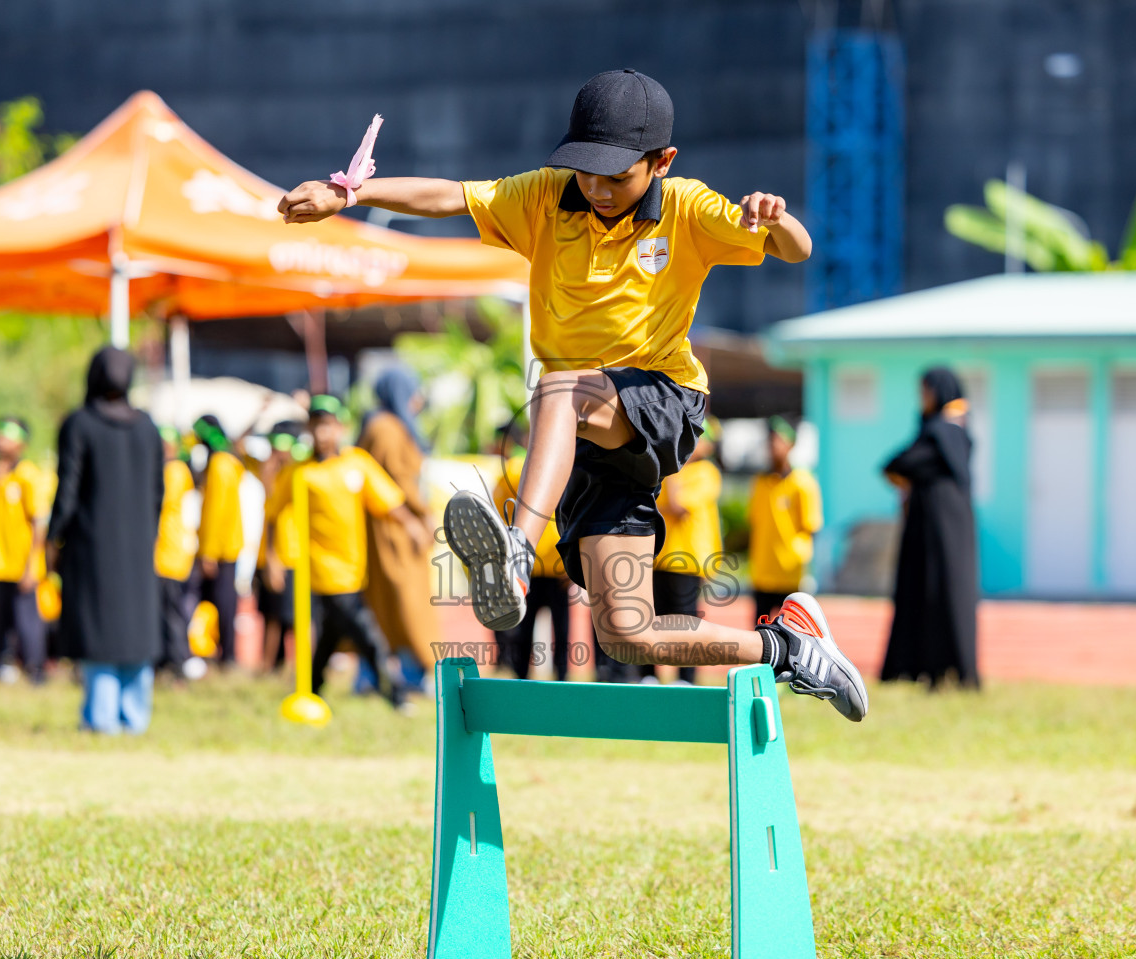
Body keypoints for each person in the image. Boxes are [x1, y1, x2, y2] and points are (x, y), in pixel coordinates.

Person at [280, 70, 866, 720]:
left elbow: (799, 248)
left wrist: (773, 219)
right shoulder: (545, 198)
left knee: (559, 388)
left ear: (662, 163)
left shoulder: (687, 209)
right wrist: (348, 191)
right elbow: (449, 195)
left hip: (662, 398)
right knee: (627, 632)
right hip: (587, 436)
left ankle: (517, 553)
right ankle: (788, 649)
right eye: (587, 172)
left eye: (616, 177)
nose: (597, 189)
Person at [46, 348, 165, 733]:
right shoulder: (147, 428)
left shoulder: (80, 425)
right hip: (139, 543)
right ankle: (134, 715)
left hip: (93, 546)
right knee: (135, 626)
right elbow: (158, 492)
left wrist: (53, 538)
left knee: (98, 624)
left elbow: (68, 491)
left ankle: (100, 717)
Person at [294, 394, 431, 705]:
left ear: (340, 428)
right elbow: (275, 512)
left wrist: (411, 523)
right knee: (366, 634)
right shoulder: (300, 472)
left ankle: (311, 690)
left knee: (330, 633)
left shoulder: (356, 463)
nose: (321, 433)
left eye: (327, 425)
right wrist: (276, 557)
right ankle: (394, 694)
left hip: (354, 568)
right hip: (321, 570)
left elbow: (387, 501)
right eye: (315, 425)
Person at [880, 366, 980, 690]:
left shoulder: (947, 430)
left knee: (949, 593)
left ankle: (953, 670)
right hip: (926, 528)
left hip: (948, 528)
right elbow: (899, 465)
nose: (922, 398)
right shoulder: (936, 430)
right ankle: (922, 667)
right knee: (921, 590)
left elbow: (902, 464)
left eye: (926, 391)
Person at [358, 365, 441, 689]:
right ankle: (405, 673)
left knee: (406, 602)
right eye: (414, 390)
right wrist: (421, 514)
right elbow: (398, 480)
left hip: (402, 529)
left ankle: (404, 674)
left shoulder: (392, 426)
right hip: (394, 530)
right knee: (404, 602)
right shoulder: (386, 428)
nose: (419, 399)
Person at [637, 417, 723, 684]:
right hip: (660, 558)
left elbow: (675, 505)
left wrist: (668, 466)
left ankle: (685, 677)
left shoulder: (706, 473)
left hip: (687, 561)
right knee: (651, 619)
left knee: (684, 623)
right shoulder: (672, 472)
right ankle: (649, 675)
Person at [491, 422, 574, 680]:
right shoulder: (566, 468)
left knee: (527, 629)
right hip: (552, 565)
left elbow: (497, 514)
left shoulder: (514, 469)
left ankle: (523, 681)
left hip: (529, 564)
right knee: (558, 631)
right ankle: (561, 682)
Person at [0, 417, 50, 684]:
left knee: (27, 621)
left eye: (7, 435)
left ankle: (36, 669)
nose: (0, 440)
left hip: (22, 563)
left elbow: (39, 522)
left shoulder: (29, 475)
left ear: (21, 443)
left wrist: (31, 564)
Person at [749, 415, 824, 625]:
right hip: (763, 572)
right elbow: (754, 522)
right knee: (760, 633)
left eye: (778, 439)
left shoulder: (804, 483)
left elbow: (811, 527)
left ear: (791, 444)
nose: (773, 445)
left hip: (790, 574)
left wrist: (806, 565)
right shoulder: (760, 483)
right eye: (771, 440)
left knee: (792, 634)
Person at [194, 413, 244, 668]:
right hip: (226, 546)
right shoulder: (227, 463)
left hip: (221, 549)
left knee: (223, 604)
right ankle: (222, 653)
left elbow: (215, 511)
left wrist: (209, 552)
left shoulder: (220, 465)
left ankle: (227, 656)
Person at [154, 426, 204, 681]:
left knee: (173, 612)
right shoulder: (169, 470)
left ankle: (177, 662)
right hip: (164, 553)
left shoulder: (173, 471)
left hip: (170, 554)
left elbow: (158, 504)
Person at [255, 421, 303, 673]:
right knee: (271, 614)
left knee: (292, 617)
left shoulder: (298, 472)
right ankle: (270, 665)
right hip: (272, 553)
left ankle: (300, 668)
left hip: (292, 555)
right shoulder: (271, 471)